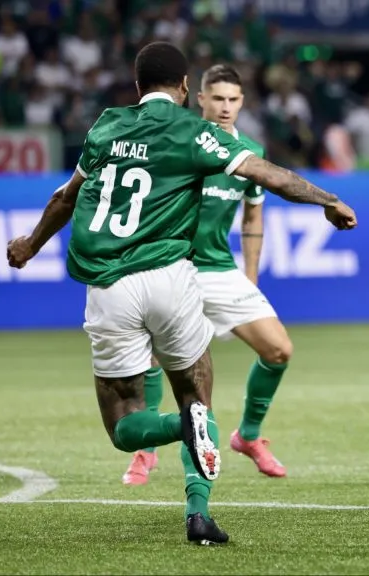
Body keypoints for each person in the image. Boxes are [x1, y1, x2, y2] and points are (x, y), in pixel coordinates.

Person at [5, 42, 357, 544]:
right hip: (171, 280)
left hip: (107, 287)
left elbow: (67, 197)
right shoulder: (196, 132)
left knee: (125, 427)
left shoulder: (105, 125)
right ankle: (199, 512)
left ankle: (176, 428)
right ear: (187, 88)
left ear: (136, 85)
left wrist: (30, 245)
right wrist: (329, 199)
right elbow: (267, 174)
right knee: (197, 393)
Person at [122, 64, 293, 488]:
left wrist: (250, 276)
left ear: (242, 102)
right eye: (217, 98)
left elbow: (254, 215)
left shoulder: (247, 152)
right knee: (159, 361)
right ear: (198, 98)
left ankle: (248, 437)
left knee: (279, 350)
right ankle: (146, 453)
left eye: (233, 99)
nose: (225, 107)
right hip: (172, 266)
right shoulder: (178, 142)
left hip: (220, 270)